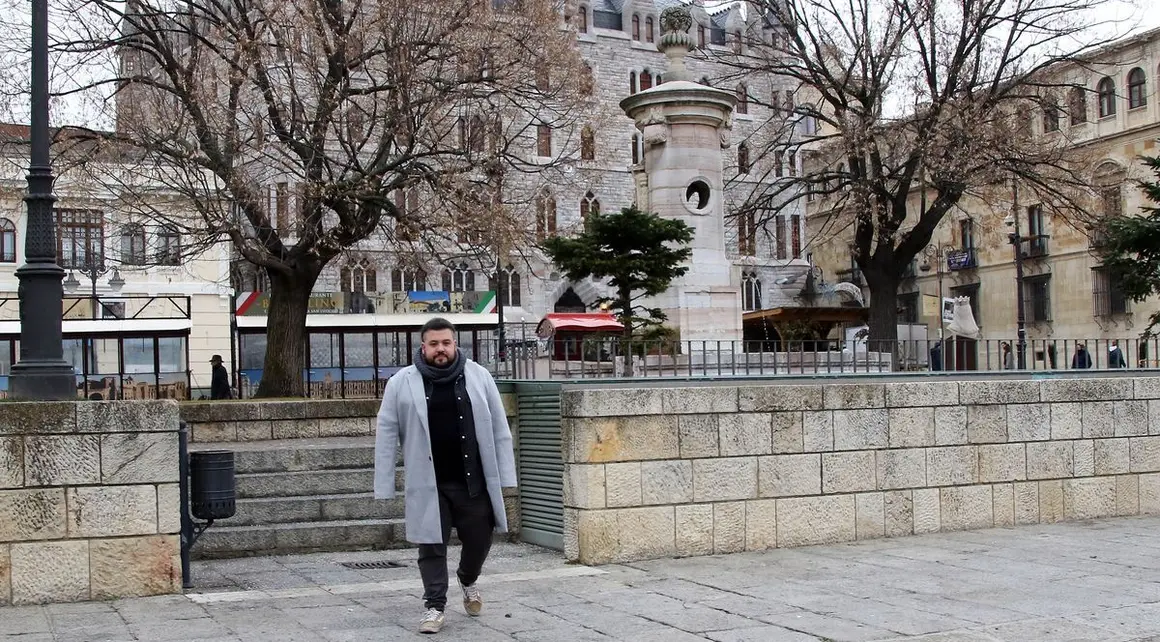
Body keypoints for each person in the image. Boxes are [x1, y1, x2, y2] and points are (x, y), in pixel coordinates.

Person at [373, 317, 517, 635]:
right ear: (423, 347)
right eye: (434, 344)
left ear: (455, 344)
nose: (441, 349)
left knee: (479, 541)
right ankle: (434, 606)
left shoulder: (479, 377)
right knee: (431, 545)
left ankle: (467, 578)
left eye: (446, 343)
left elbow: (499, 427)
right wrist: (384, 483)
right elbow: (385, 432)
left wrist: (507, 476)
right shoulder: (402, 382)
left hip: (473, 480)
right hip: (429, 482)